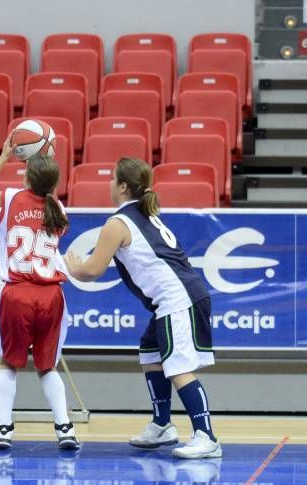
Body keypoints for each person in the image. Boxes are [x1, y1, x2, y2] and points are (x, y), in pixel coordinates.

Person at [64, 157, 221, 459]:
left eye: (112, 178)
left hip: (178, 299)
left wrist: (73, 267)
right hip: (179, 296)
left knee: (179, 369)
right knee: (151, 351)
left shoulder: (117, 223)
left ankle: (207, 436)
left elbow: (93, 269)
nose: (110, 184)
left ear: (122, 186)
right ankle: (162, 425)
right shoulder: (146, 213)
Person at [0, 138, 81, 451]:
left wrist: (5, 155)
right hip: (51, 296)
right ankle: (65, 428)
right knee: (47, 366)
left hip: (18, 293)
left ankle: (4, 430)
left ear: (26, 177)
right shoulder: (58, 209)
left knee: (8, 363)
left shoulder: (11, 199)